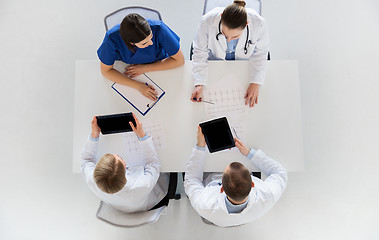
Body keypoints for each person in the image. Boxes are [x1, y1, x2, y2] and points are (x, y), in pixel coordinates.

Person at [184, 126, 288, 227]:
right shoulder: (268, 196)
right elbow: (280, 172)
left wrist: (200, 147)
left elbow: (192, 180)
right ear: (252, 184)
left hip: (216, 217)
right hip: (245, 215)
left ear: (221, 188)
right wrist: (250, 154)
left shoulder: (204, 204)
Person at [80, 113, 168, 213]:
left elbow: (86, 160)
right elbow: (153, 163)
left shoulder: (93, 179)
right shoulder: (142, 185)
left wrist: (94, 136)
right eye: (120, 158)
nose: (117, 154)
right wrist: (142, 136)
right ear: (125, 170)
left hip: (120, 206)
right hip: (148, 202)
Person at [190, 0, 269, 107]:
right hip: (215, 65)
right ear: (221, 17)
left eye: (235, 37)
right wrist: (199, 84)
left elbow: (260, 53)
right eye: (224, 34)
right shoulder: (207, 21)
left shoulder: (258, 23)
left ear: (246, 24)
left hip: (243, 68)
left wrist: (255, 82)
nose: (228, 40)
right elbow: (200, 51)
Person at [98, 13, 185, 101]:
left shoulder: (158, 28)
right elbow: (106, 71)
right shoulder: (112, 38)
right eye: (144, 43)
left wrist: (145, 68)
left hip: (161, 65)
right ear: (131, 43)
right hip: (128, 69)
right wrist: (138, 86)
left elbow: (180, 60)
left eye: (151, 36)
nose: (151, 43)